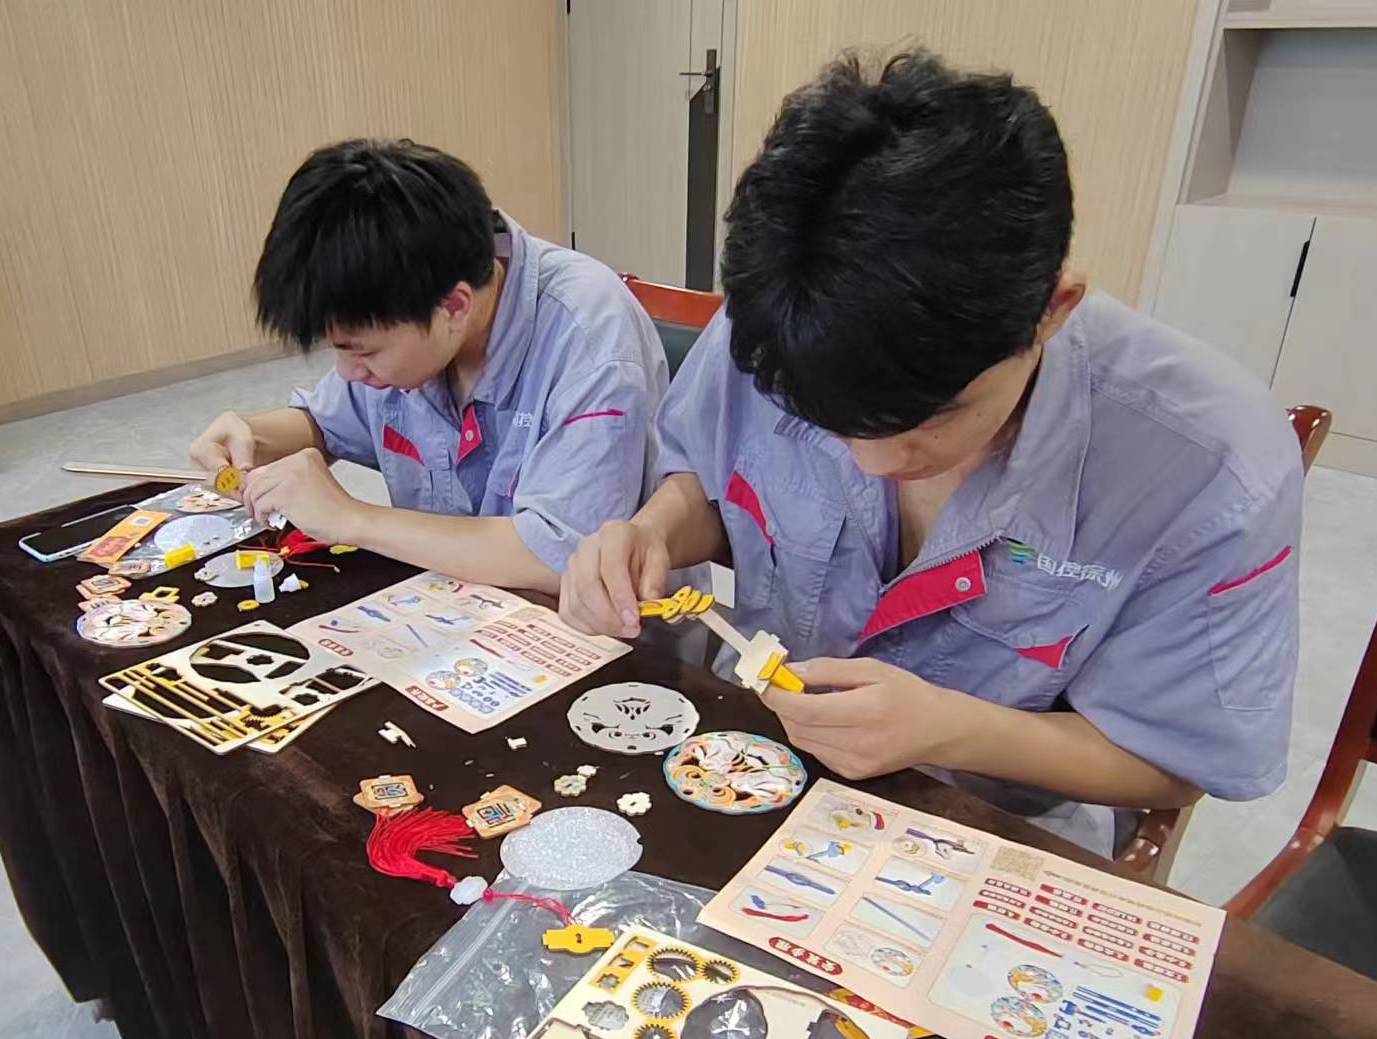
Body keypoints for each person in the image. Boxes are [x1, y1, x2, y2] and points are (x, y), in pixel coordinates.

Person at [558, 51, 1303, 851]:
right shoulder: (780, 322)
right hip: (755, 767)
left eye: (933, 417)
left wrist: (949, 729)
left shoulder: (1211, 468)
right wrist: (653, 533)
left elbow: (1176, 761)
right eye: (824, 421)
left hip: (994, 826)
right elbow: (712, 485)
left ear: (1053, 310)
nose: (874, 462)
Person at [189, 139, 667, 591]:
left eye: (363, 352)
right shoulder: (407, 304)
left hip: (596, 628)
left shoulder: (590, 338)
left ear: (454, 307)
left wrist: (351, 517)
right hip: (450, 605)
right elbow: (327, 423)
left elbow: (561, 558)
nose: (349, 372)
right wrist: (252, 438)